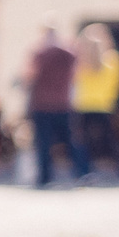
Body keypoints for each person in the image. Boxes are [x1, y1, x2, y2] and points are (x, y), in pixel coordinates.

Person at [23, 25, 83, 186]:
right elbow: (77, 74)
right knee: (71, 141)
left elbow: (29, 76)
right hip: (63, 103)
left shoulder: (40, 53)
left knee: (44, 143)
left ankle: (44, 178)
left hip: (42, 104)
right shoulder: (69, 54)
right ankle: (81, 172)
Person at [73, 24, 119, 177]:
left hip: (83, 104)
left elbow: (74, 81)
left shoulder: (80, 60)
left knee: (82, 141)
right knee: (109, 140)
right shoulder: (113, 58)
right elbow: (117, 84)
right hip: (104, 104)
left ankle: (83, 171)